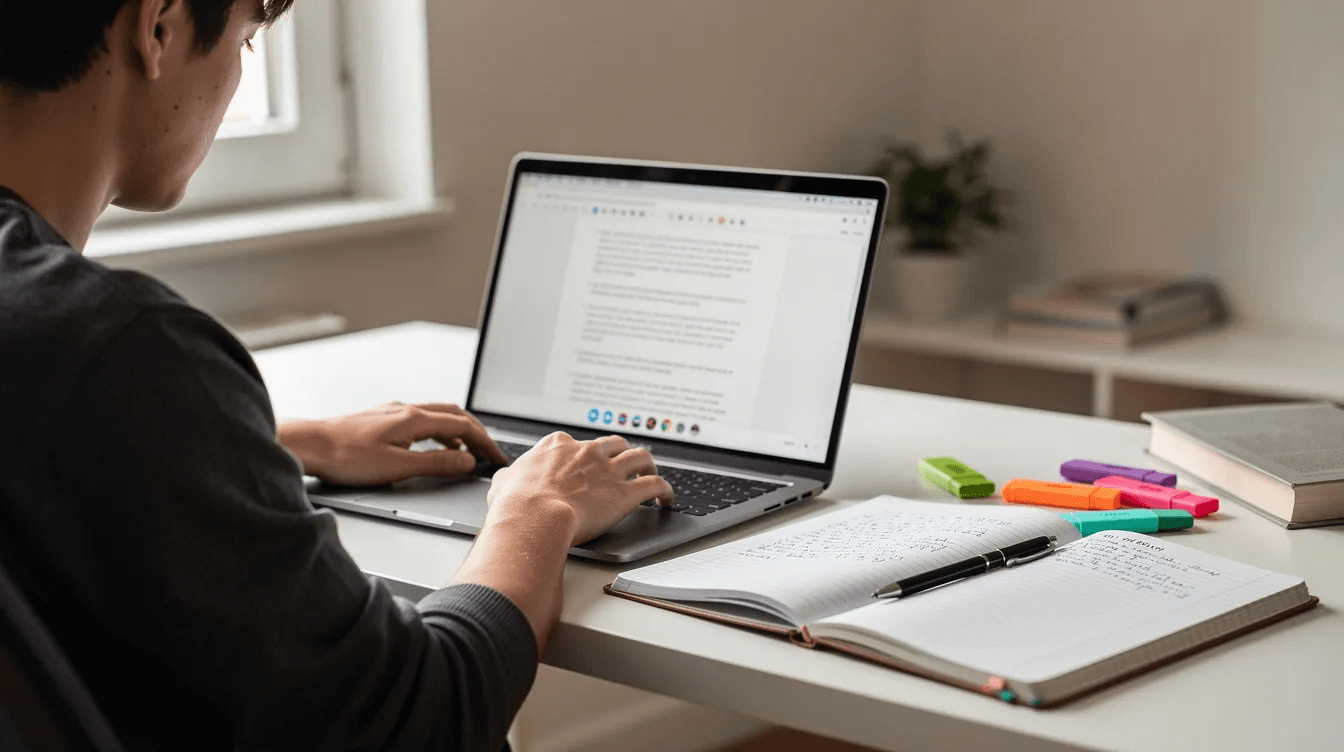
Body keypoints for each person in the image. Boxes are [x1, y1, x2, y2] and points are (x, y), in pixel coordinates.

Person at [0, 1, 673, 750]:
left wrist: (265, 443)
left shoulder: (63, 346)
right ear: (157, 28)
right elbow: (422, 716)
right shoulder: (123, 348)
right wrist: (534, 513)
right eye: (248, 42)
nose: (239, 72)